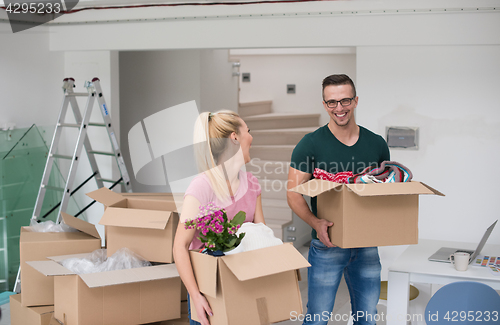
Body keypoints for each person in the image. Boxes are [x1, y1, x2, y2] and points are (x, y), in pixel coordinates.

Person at [287, 74, 390, 325]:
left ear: (355, 101)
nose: (339, 109)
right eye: (332, 102)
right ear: (324, 105)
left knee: (367, 318)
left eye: (345, 101)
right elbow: (292, 193)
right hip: (327, 245)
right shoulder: (310, 144)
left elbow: (384, 190)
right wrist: (315, 223)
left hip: (366, 244)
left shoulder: (376, 144)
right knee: (317, 319)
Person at [173, 110, 265, 325]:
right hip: (209, 290)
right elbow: (180, 246)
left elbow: (262, 235)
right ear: (235, 137)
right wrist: (196, 296)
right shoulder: (202, 186)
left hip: (244, 282)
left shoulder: (251, 183)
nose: (251, 138)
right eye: (248, 132)